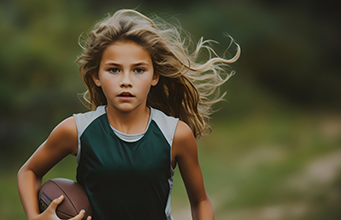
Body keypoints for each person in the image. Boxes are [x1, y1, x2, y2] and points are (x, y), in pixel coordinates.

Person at [17, 9, 240, 220]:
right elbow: (29, 171)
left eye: (139, 70)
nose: (126, 81)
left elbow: (200, 200)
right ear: (96, 76)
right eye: (114, 69)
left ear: (155, 76)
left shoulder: (175, 134)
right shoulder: (76, 130)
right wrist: (35, 217)